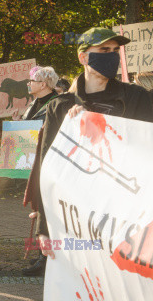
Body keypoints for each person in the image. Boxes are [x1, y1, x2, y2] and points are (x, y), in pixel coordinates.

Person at [36, 27, 153, 260]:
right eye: (103, 50)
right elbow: (47, 168)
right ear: (83, 57)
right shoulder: (60, 107)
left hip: (126, 217)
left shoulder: (138, 98)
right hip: (79, 219)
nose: (111, 55)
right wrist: (44, 228)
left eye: (113, 50)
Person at [15, 66, 59, 276]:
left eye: (32, 80)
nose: (28, 84)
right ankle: (43, 252)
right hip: (32, 161)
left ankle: (45, 258)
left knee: (45, 208)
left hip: (47, 162)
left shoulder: (57, 103)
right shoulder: (33, 103)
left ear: (43, 84)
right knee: (37, 206)